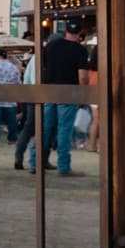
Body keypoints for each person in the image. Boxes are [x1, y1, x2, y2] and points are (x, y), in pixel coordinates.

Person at [37, 19, 90, 176]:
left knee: (46, 128)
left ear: (65, 31)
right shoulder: (80, 50)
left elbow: (42, 67)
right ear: (80, 33)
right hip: (68, 92)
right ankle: (64, 166)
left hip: (49, 90)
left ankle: (35, 162)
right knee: (64, 130)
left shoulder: (51, 46)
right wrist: (83, 96)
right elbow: (83, 77)